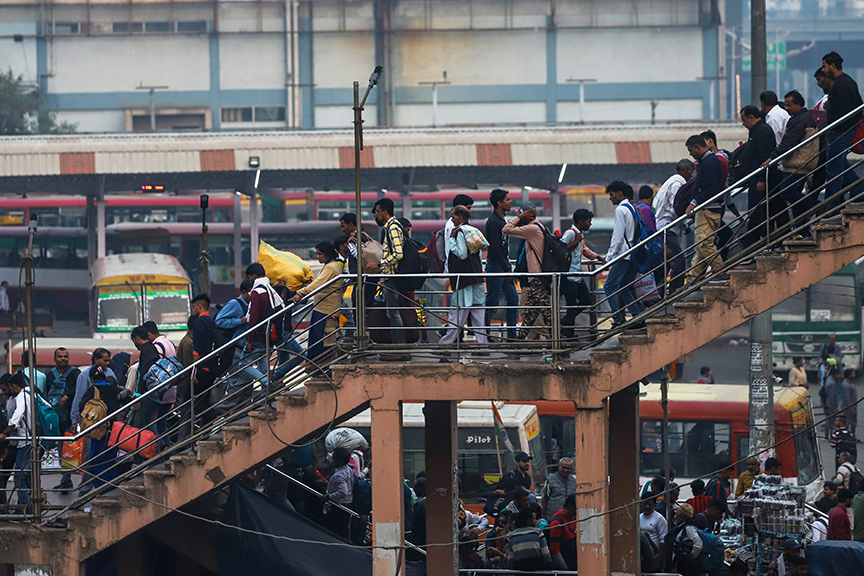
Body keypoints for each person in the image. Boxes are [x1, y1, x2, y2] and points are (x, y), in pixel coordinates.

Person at [763, 90, 820, 238]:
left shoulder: (800, 120)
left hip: (798, 163)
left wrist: (772, 157)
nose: (786, 108)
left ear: (799, 104)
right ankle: (802, 230)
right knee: (794, 200)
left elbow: (789, 142)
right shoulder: (801, 118)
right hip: (800, 162)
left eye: (789, 105)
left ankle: (817, 206)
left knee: (787, 192)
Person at [438, 205, 488, 348]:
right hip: (476, 277)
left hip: (463, 280)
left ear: (460, 218)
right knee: (478, 315)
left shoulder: (460, 232)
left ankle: (445, 344)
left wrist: (451, 240)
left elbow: (461, 254)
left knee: (457, 315)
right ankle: (483, 346)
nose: (452, 219)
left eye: (453, 216)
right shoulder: (473, 230)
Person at [821, 51, 864, 211]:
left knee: (834, 170)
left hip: (841, 132)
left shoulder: (842, 83)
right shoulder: (845, 82)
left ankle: (833, 209)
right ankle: (860, 192)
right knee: (840, 168)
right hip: (841, 131)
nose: (823, 70)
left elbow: (851, 109)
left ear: (832, 66)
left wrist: (835, 127)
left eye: (825, 66)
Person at [503, 201, 553, 338]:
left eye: (521, 214)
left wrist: (519, 217)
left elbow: (506, 229)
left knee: (541, 314)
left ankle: (555, 338)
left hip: (537, 278)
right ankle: (520, 344)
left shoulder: (532, 229)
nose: (519, 217)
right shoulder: (540, 227)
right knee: (529, 313)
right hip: (536, 277)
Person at [368, 198, 409, 361]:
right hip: (389, 275)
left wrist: (379, 263)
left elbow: (398, 254)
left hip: (391, 276)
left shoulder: (392, 228)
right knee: (392, 313)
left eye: (377, 211)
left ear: (385, 211)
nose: (376, 215)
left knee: (393, 313)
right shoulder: (393, 226)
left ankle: (401, 348)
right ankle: (398, 346)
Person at [738, 105, 781, 250]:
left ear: (751, 117)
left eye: (744, 120)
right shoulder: (756, 131)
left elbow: (764, 156)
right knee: (756, 213)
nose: (743, 123)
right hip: (754, 177)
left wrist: (762, 179)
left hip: (759, 179)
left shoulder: (762, 131)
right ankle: (752, 242)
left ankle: (756, 242)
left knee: (757, 213)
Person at [291, 241, 344, 360]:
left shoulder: (331, 267)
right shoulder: (329, 266)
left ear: (327, 254)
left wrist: (300, 293)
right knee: (317, 339)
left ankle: (321, 366)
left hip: (326, 310)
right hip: (322, 307)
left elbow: (319, 284)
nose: (318, 256)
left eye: (320, 254)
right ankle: (318, 366)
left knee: (321, 340)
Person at [603, 181, 644, 328]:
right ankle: (639, 317)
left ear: (620, 194)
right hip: (634, 254)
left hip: (624, 255)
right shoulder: (632, 208)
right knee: (625, 286)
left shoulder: (621, 209)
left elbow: (618, 236)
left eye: (612, 194)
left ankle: (619, 318)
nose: (610, 198)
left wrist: (608, 258)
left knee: (609, 286)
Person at [684, 134, 725, 282]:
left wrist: (694, 201)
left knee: (704, 244)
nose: (690, 154)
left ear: (697, 147)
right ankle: (692, 278)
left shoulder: (709, 162)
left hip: (708, 209)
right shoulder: (707, 161)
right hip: (708, 208)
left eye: (690, 150)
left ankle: (721, 269)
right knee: (700, 247)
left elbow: (712, 189)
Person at [78, 367, 124, 493]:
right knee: (110, 457)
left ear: (91, 379)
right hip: (113, 429)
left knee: (97, 457)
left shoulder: (93, 389)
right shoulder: (114, 389)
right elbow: (127, 398)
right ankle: (112, 486)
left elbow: (81, 405)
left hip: (98, 430)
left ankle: (100, 487)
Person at [653, 159, 695, 295]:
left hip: (667, 226)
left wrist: (683, 226)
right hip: (667, 227)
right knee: (679, 259)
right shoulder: (677, 184)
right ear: (687, 171)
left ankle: (657, 292)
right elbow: (676, 206)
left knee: (668, 264)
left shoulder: (672, 181)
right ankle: (674, 291)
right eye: (691, 172)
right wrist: (686, 218)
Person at [43, 347, 81, 491]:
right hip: (54, 417)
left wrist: (67, 397)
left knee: (68, 448)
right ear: (55, 359)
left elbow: (79, 390)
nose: (63, 359)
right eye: (60, 356)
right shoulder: (50, 375)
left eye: (65, 356)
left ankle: (67, 478)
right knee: (59, 448)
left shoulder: (75, 373)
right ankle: (66, 478)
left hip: (70, 417)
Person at [559, 209, 602, 338]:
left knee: (586, 300)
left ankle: (566, 323)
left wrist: (599, 258)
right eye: (588, 222)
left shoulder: (579, 234)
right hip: (569, 276)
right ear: (581, 222)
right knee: (571, 305)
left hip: (577, 275)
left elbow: (584, 250)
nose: (590, 224)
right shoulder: (570, 234)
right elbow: (560, 249)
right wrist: (576, 241)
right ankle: (569, 333)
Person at [484, 189, 520, 341]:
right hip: (497, 267)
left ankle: (511, 335)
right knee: (491, 302)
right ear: (499, 203)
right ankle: (485, 335)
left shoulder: (502, 219)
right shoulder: (493, 222)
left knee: (513, 298)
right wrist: (507, 270)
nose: (511, 201)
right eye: (508, 199)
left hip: (504, 267)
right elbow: (495, 248)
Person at [0, 373, 33, 509]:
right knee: (25, 477)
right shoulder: (31, 394)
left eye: (5, 389)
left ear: (13, 386)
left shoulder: (23, 395)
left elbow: (18, 414)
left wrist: (6, 432)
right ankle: (26, 508)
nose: (3, 392)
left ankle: (25, 509)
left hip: (25, 441)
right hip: (25, 440)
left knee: (20, 477)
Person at [71, 348, 115, 434]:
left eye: (109, 360)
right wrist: (74, 420)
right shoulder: (84, 375)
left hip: (108, 417)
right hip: (91, 418)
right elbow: (79, 397)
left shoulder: (110, 372)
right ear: (96, 359)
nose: (108, 363)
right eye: (105, 360)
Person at [130, 325, 161, 431]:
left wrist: (138, 395)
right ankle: (155, 447)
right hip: (155, 395)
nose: (135, 344)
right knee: (152, 428)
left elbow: (143, 374)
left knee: (135, 424)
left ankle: (136, 447)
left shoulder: (146, 351)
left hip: (146, 395)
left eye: (134, 340)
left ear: (137, 338)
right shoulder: (153, 348)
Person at [321, 446, 354, 540]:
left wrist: (328, 497)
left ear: (339, 461)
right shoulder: (348, 469)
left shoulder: (340, 475)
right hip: (345, 505)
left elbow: (343, 492)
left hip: (340, 506)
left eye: (334, 458)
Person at [507, 506, 552, 571]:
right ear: (528, 520)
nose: (536, 521)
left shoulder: (511, 536)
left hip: (519, 572)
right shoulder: (538, 533)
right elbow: (546, 556)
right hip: (538, 571)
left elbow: (511, 560)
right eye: (534, 518)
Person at [669, 503, 702, 576]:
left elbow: (698, 545)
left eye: (676, 514)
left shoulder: (689, 529)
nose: (675, 516)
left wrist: (687, 559)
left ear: (681, 517)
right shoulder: (679, 528)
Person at [548, 494, 578, 570]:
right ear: (569, 506)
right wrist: (565, 569)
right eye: (575, 508)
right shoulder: (557, 523)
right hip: (566, 565)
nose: (577, 510)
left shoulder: (575, 519)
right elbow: (554, 550)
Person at [639, 495, 668, 571]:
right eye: (645, 504)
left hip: (654, 553)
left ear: (655, 505)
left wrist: (659, 559)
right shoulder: (638, 518)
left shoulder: (659, 519)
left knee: (642, 536)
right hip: (640, 554)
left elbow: (663, 539)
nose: (647, 506)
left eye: (649, 504)